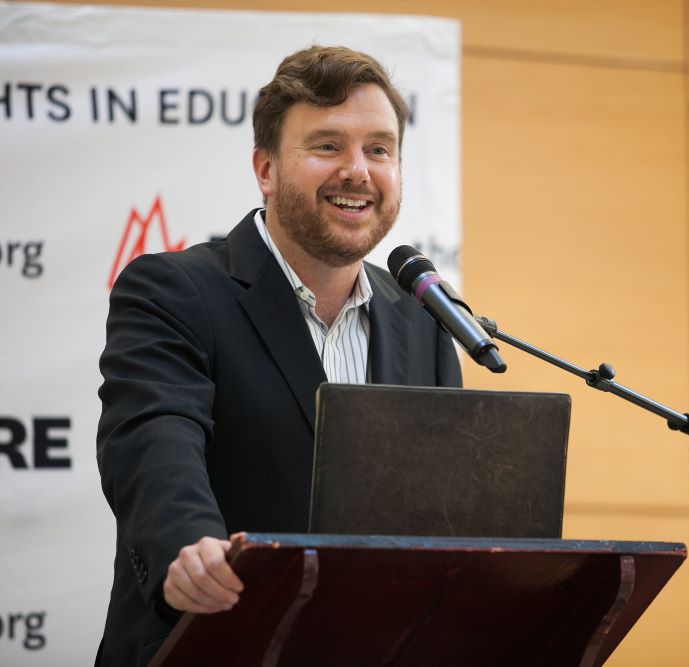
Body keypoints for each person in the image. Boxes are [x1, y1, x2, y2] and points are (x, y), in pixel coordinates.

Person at [95, 46, 462, 666]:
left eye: (379, 149)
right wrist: (190, 546)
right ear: (266, 169)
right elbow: (154, 435)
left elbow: (450, 510)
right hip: (215, 639)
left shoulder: (423, 319)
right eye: (326, 146)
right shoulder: (173, 290)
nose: (358, 171)